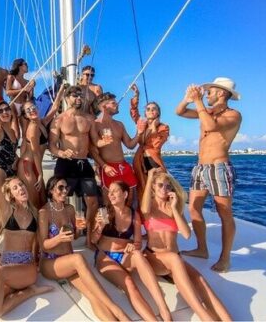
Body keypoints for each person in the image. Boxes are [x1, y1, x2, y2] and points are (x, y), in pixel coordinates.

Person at [141, 168, 232, 321]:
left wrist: (175, 208)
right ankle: (206, 318)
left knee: (200, 280)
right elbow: (143, 209)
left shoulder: (174, 207)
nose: (165, 189)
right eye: (160, 185)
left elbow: (186, 233)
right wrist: (150, 177)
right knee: (175, 260)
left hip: (174, 260)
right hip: (155, 258)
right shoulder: (149, 208)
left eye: (168, 186)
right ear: (153, 188)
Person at [38, 176, 129, 321]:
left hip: (69, 262)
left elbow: (73, 236)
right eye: (60, 187)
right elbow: (43, 245)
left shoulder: (70, 209)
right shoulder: (44, 212)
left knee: (92, 295)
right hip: (51, 263)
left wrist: (79, 231)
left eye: (66, 188)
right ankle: (117, 311)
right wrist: (58, 238)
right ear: (51, 190)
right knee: (78, 258)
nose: (65, 191)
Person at [176, 77, 242, 273]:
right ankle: (202, 249)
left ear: (222, 93)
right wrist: (187, 99)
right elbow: (179, 112)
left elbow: (211, 126)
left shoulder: (234, 115)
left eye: (210, 91)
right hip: (200, 168)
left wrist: (198, 102)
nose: (206, 94)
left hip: (219, 168)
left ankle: (225, 258)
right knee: (194, 208)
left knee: (224, 213)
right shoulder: (208, 112)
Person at [0, 150, 53, 321]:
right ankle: (29, 292)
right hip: (8, 268)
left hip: (26, 269)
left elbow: (40, 243)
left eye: (22, 185)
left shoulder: (36, 213)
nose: (21, 189)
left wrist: (40, 262)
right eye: (15, 187)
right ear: (11, 194)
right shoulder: (7, 211)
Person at [91, 181, 171, 321]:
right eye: (109, 192)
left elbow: (138, 242)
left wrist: (133, 246)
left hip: (126, 256)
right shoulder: (103, 212)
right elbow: (93, 240)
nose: (111, 194)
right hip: (106, 256)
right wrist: (100, 227)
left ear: (125, 194)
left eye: (115, 191)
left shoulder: (134, 215)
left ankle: (164, 309)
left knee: (138, 254)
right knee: (129, 283)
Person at [48, 85, 100, 248]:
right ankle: (63, 233)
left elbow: (94, 142)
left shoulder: (89, 119)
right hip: (65, 164)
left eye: (80, 96)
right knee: (59, 199)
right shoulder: (59, 119)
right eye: (75, 95)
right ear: (67, 98)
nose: (78, 98)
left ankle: (89, 237)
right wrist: (61, 153)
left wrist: (102, 142)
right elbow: (52, 145)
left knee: (92, 202)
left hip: (83, 163)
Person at [91, 92, 146, 206]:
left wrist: (139, 133)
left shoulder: (119, 124)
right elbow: (92, 150)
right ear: (103, 107)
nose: (117, 105)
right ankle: (111, 223)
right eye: (113, 103)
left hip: (123, 166)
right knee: (109, 202)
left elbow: (130, 145)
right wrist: (104, 166)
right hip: (108, 168)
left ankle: (129, 222)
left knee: (131, 199)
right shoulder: (95, 125)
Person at [17, 83, 65, 208]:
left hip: (35, 165)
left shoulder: (42, 122)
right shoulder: (33, 129)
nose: (32, 110)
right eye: (28, 110)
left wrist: (60, 90)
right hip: (28, 166)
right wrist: (41, 174)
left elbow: (54, 107)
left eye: (33, 107)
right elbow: (36, 153)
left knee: (42, 200)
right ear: (25, 116)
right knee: (34, 203)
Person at [130, 84, 170, 202]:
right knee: (142, 189)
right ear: (145, 113)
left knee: (159, 189)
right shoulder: (142, 124)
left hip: (154, 162)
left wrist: (153, 126)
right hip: (140, 161)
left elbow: (156, 144)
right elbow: (133, 111)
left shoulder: (163, 127)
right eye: (148, 109)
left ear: (158, 112)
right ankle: (145, 216)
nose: (151, 111)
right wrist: (136, 95)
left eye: (154, 109)